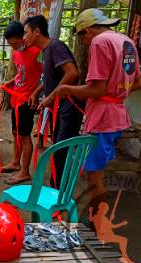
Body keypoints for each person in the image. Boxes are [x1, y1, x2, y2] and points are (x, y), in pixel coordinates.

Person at [56, 8, 141, 208]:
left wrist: (68, 89)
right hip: (117, 116)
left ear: (87, 31)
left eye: (81, 38)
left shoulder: (99, 42)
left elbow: (97, 89)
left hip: (103, 119)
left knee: (94, 178)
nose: (84, 44)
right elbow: (137, 83)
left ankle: (98, 223)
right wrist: (116, 92)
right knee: (97, 173)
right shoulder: (127, 42)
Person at [23, 15, 84, 187]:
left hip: (70, 106)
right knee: (57, 147)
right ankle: (56, 188)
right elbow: (51, 79)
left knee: (61, 150)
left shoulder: (56, 46)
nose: (24, 37)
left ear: (36, 32)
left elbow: (72, 73)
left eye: (26, 32)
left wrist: (50, 97)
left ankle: (59, 193)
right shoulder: (46, 51)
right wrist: (37, 91)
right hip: (60, 106)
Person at [2, 21, 43, 185]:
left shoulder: (37, 52)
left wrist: (36, 93)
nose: (13, 47)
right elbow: (21, 74)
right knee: (15, 133)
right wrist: (10, 82)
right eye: (10, 44)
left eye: (15, 43)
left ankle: (25, 172)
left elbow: (49, 78)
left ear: (24, 37)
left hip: (27, 101)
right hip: (16, 99)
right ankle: (15, 162)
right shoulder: (16, 54)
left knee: (25, 137)